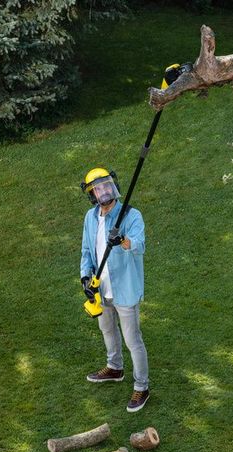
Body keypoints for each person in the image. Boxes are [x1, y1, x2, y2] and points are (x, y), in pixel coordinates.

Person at [79, 167, 150, 413]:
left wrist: (122, 240)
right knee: (107, 330)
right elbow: (86, 251)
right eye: (98, 188)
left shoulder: (131, 215)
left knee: (133, 339)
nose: (104, 191)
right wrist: (85, 277)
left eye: (106, 185)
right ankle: (115, 368)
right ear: (92, 194)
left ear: (113, 186)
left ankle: (142, 387)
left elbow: (139, 245)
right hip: (101, 287)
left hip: (125, 289)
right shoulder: (90, 218)